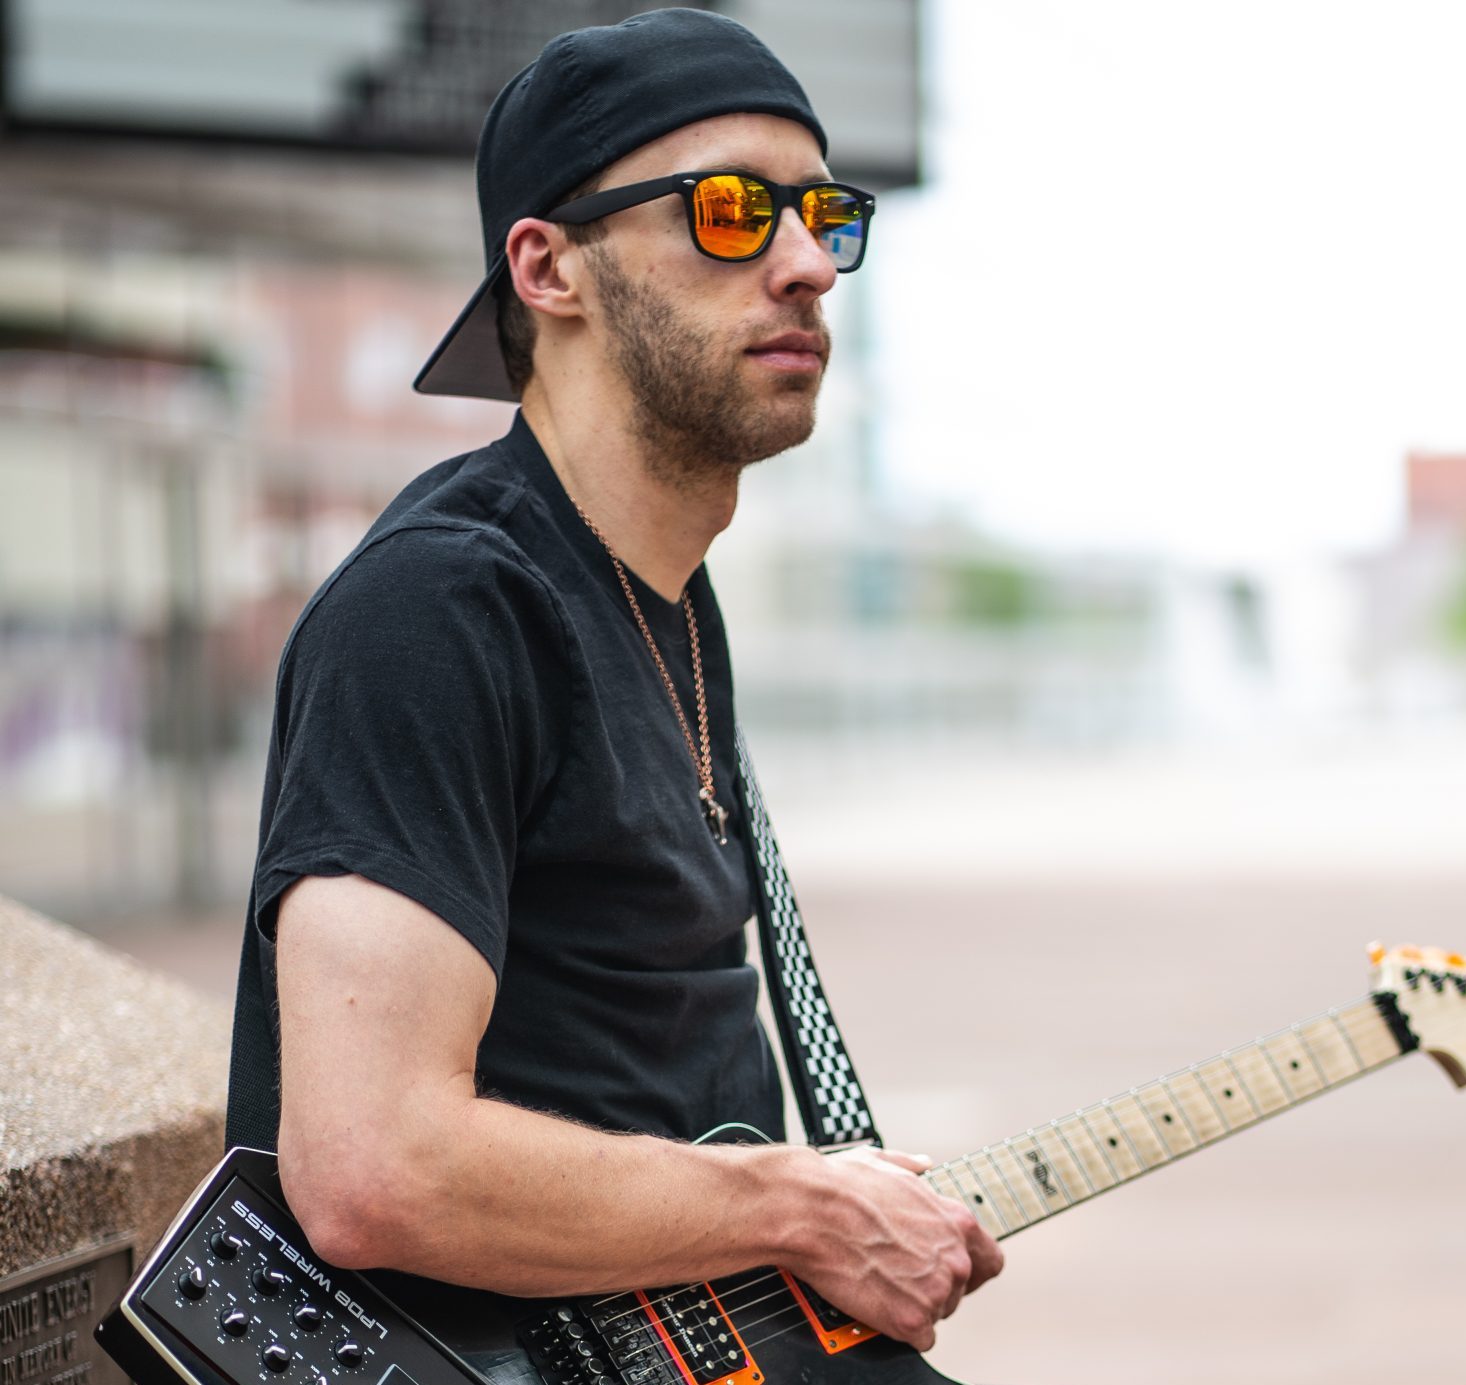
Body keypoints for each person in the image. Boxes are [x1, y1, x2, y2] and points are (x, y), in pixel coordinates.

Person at [222, 7, 1002, 1361]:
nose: (806, 264)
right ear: (549, 267)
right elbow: (369, 1167)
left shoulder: (670, 601)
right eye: (729, 211)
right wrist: (795, 1205)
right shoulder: (443, 606)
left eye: (824, 216)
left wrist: (818, 1214)